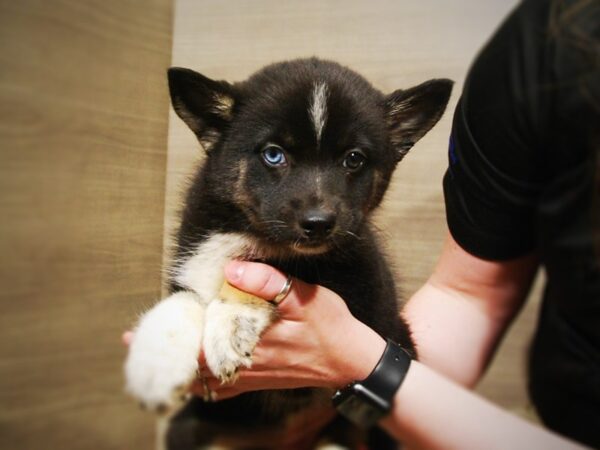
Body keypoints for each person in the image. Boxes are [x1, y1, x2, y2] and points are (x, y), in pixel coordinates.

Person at [124, 0, 598, 447]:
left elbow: (381, 347)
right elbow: (469, 296)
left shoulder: (354, 268)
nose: (318, 209)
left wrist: (360, 370)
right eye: (275, 154)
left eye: (352, 160)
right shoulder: (538, 53)